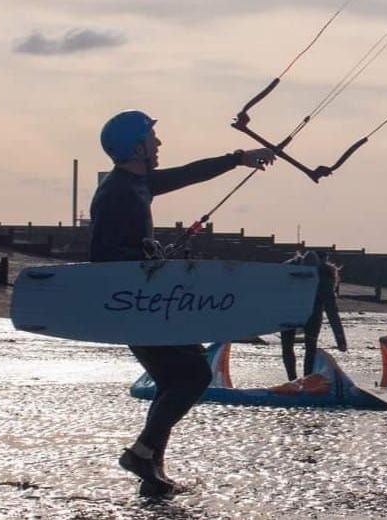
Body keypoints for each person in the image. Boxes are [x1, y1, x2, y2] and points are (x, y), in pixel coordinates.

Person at [89, 109, 275, 496]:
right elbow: (102, 257)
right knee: (193, 376)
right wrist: (144, 259)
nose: (159, 144)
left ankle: (151, 469)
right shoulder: (117, 192)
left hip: (148, 303)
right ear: (136, 146)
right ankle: (143, 454)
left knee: (174, 379)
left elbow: (191, 172)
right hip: (135, 306)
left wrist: (240, 157)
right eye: (152, 138)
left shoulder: (139, 184)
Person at [280, 250, 348, 381]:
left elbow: (331, 310)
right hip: (290, 309)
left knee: (310, 346)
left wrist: (340, 339)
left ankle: (306, 379)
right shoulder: (289, 269)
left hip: (312, 313)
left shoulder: (324, 278)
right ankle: (292, 380)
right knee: (289, 346)